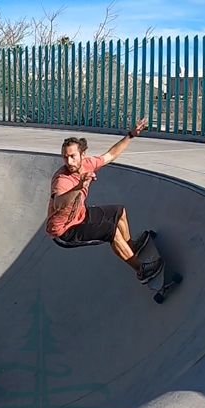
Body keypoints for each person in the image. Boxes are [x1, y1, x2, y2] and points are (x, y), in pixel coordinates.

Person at [45, 118, 163, 284]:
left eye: (72, 156)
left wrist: (130, 135)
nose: (69, 162)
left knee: (119, 211)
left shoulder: (88, 164)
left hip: (81, 214)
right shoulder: (62, 179)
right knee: (111, 230)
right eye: (65, 158)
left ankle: (130, 247)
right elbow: (58, 203)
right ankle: (140, 270)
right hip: (64, 230)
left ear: (82, 155)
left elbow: (111, 154)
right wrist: (79, 186)